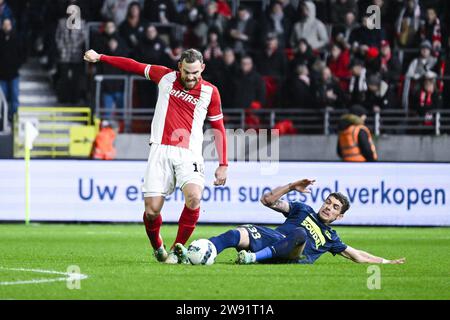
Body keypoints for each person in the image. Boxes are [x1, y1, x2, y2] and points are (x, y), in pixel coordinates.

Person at [84, 48, 228, 264]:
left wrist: (223, 163)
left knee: (194, 198)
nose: (191, 77)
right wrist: (101, 57)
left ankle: (175, 251)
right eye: (187, 72)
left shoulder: (211, 92)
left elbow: (219, 127)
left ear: (203, 69)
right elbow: (133, 64)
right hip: (160, 150)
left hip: (190, 153)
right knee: (151, 212)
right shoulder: (164, 76)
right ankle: (158, 247)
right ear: (180, 66)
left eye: (195, 73)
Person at [174, 179, 405, 265]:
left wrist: (385, 262)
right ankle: (204, 252)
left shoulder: (331, 238)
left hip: (293, 254)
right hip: (272, 239)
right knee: (239, 232)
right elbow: (268, 200)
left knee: (300, 235)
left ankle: (253, 258)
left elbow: (358, 255)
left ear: (339, 216)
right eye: (328, 202)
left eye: (335, 207)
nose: (328, 207)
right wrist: (291, 187)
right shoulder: (302, 210)